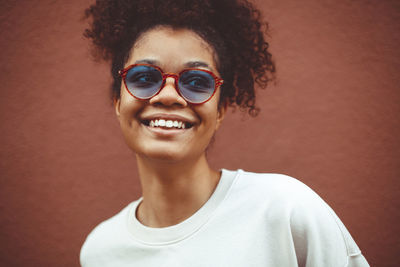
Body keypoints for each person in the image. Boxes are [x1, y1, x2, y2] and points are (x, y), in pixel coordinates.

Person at [80, 0, 369, 266]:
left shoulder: (286, 211)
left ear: (221, 110)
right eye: (143, 77)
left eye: (196, 81)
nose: (168, 96)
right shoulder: (100, 250)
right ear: (118, 101)